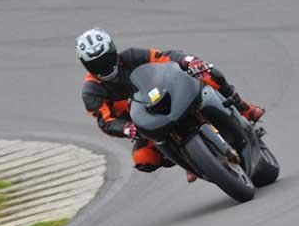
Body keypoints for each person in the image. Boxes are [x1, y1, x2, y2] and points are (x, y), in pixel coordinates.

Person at [76, 28, 265, 181]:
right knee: (143, 159)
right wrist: (127, 129)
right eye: (96, 65)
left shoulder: (131, 56)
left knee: (208, 73)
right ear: (87, 66)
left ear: (113, 51)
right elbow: (105, 121)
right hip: (144, 125)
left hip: (167, 97)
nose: (104, 68)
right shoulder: (91, 91)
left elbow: (163, 56)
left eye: (106, 60)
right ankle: (193, 162)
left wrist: (186, 61)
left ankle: (244, 109)